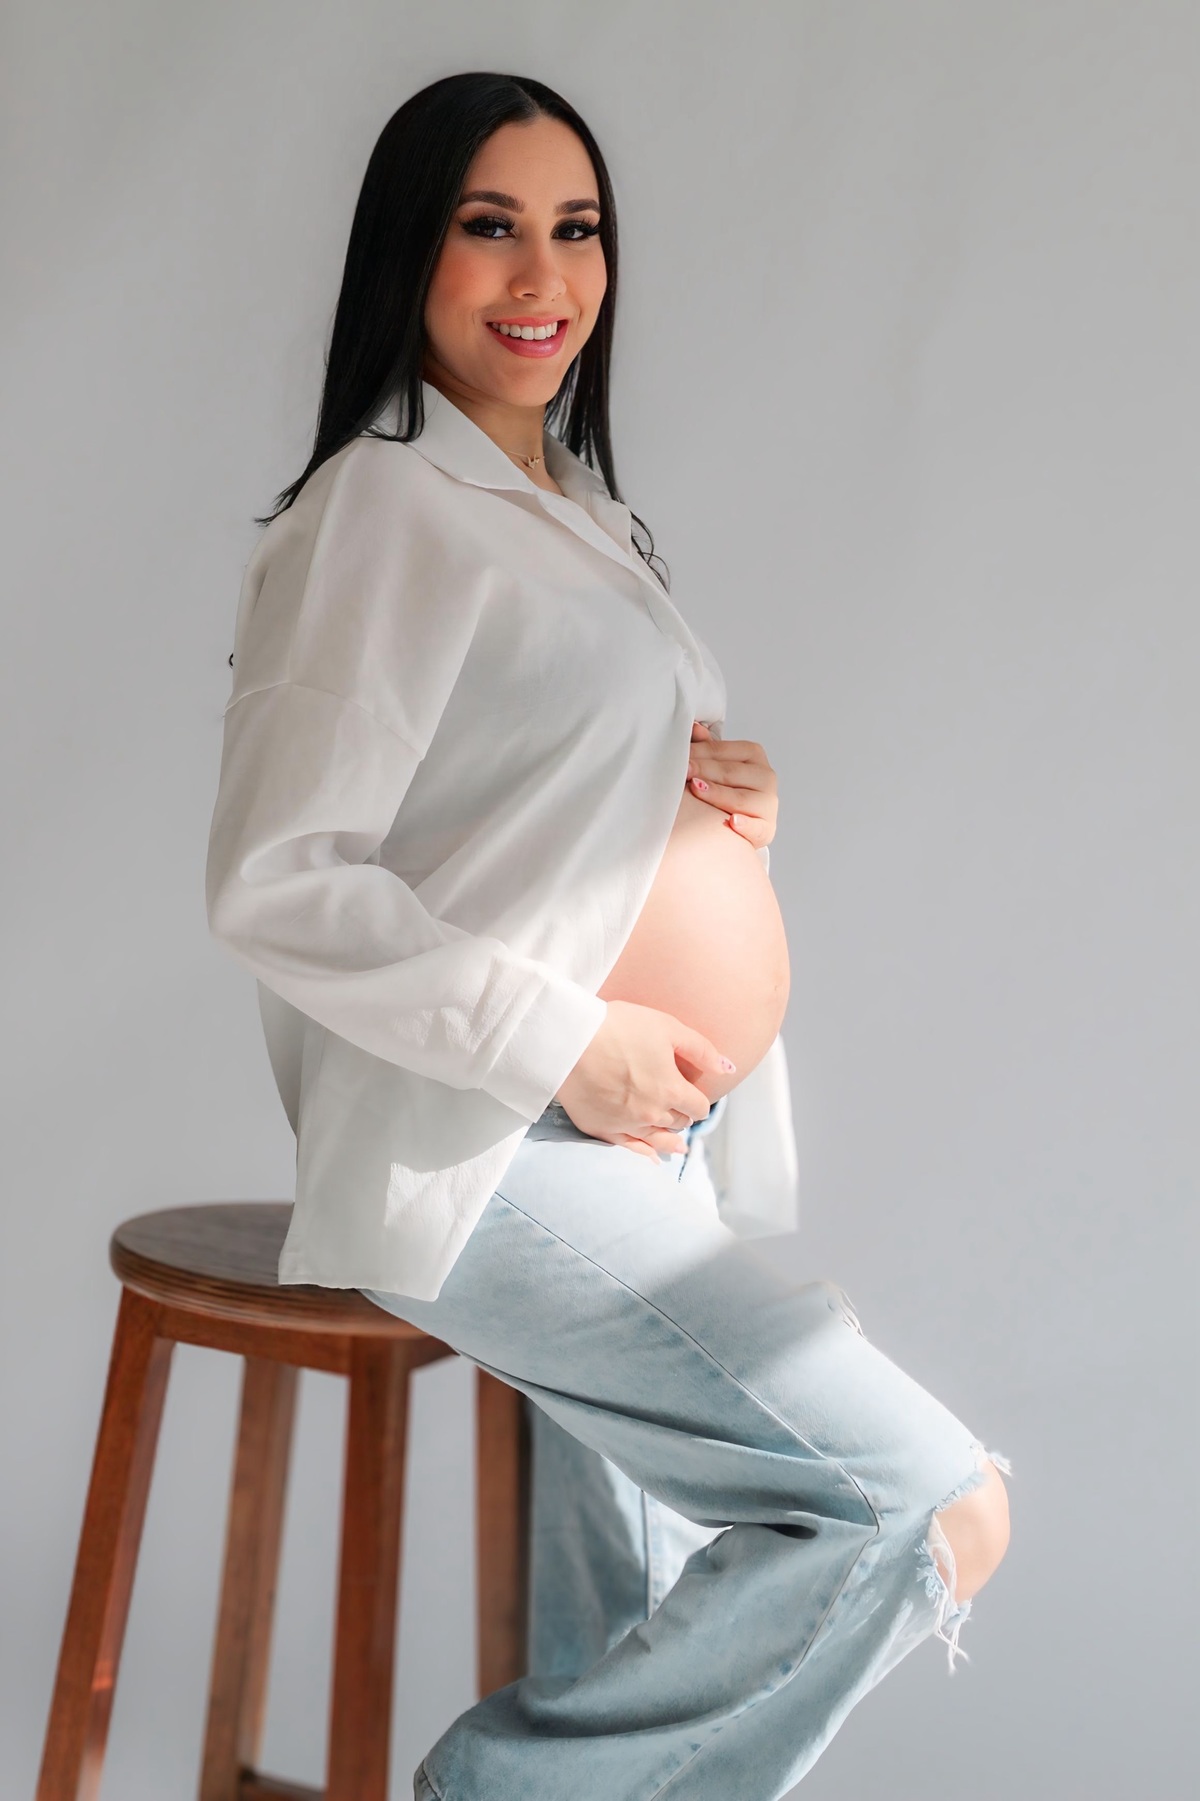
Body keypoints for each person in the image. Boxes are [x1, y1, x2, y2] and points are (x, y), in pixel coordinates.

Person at [205, 70, 1011, 1801]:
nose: (542, 274)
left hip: (639, 1137)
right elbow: (280, 875)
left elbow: (520, 811)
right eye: (489, 224)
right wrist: (570, 1037)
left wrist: (722, 817)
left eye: (575, 229)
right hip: (499, 1141)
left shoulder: (582, 508)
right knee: (917, 1499)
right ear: (409, 249)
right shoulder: (379, 512)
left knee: (624, 1628)